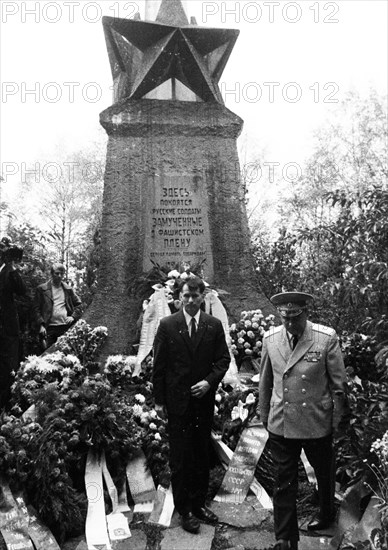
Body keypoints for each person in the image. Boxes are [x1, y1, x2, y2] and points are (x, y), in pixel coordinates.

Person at [258, 291, 348, 550]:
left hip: (316, 421)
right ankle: (285, 538)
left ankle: (326, 512)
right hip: (282, 421)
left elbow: (338, 384)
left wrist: (337, 420)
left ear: (305, 313)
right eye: (285, 318)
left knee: (323, 471)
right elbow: (265, 380)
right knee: (283, 480)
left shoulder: (324, 337)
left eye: (295, 318)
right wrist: (265, 415)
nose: (289, 324)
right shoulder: (270, 339)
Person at [153, 276, 230, 534]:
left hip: (202, 402)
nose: (190, 301)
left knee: (200, 454)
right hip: (178, 403)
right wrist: (159, 401)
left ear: (202, 296)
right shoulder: (167, 325)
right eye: (185, 296)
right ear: (179, 298)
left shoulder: (213, 325)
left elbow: (223, 360)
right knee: (181, 457)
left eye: (195, 296)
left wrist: (209, 383)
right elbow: (159, 366)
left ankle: (198, 504)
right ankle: (184, 509)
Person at [0, 237, 26, 410]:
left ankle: (8, 406)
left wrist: (14, 267)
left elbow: (22, 291)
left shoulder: (9, 271)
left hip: (8, 327)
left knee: (9, 365)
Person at [33, 263, 82, 349]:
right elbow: (35, 309)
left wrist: (73, 317)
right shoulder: (42, 289)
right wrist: (41, 325)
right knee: (47, 356)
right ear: (52, 274)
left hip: (65, 327)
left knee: (66, 355)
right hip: (49, 328)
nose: (59, 276)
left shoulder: (68, 289)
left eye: (62, 274)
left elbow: (79, 304)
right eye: (57, 273)